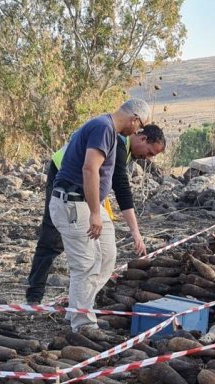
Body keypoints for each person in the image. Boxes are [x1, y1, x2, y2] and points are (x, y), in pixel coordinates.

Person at [25, 124, 166, 304]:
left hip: (85, 189)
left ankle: (83, 300)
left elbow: (108, 180)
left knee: (101, 247)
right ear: (142, 138)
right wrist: (135, 232)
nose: (147, 158)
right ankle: (34, 296)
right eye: (150, 153)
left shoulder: (128, 149)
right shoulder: (119, 143)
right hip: (64, 176)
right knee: (52, 237)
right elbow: (121, 187)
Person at [49, 99, 151, 333]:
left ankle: (80, 308)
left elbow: (117, 181)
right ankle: (83, 324)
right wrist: (95, 212)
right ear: (135, 118)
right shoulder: (103, 128)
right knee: (85, 265)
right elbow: (90, 168)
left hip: (89, 204)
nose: (137, 131)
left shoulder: (112, 134)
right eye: (140, 126)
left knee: (106, 256)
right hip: (74, 203)